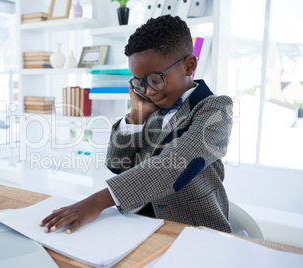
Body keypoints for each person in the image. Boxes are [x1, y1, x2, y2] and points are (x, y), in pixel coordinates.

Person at [40, 15, 233, 234]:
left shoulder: (216, 108)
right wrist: (136, 116)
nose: (148, 91)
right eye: (139, 82)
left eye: (155, 79)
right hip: (142, 223)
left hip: (195, 229)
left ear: (189, 65)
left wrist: (96, 202)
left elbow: (175, 164)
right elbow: (116, 163)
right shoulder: (150, 108)